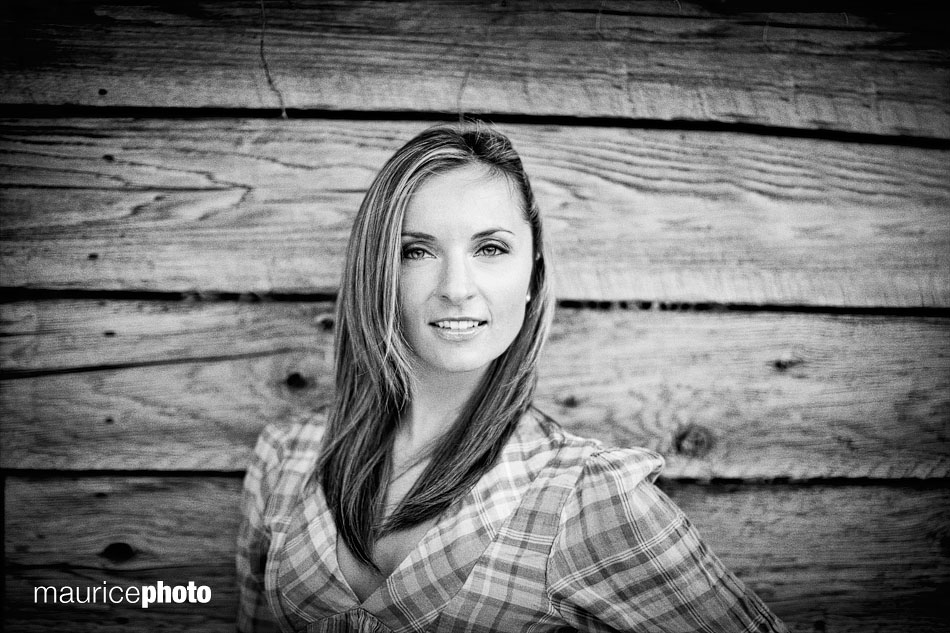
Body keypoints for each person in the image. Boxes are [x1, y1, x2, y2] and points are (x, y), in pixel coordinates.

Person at [236, 122, 788, 632]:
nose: (456, 286)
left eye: (491, 248)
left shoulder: (585, 498)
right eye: (416, 251)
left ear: (531, 276)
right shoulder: (288, 457)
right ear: (376, 269)